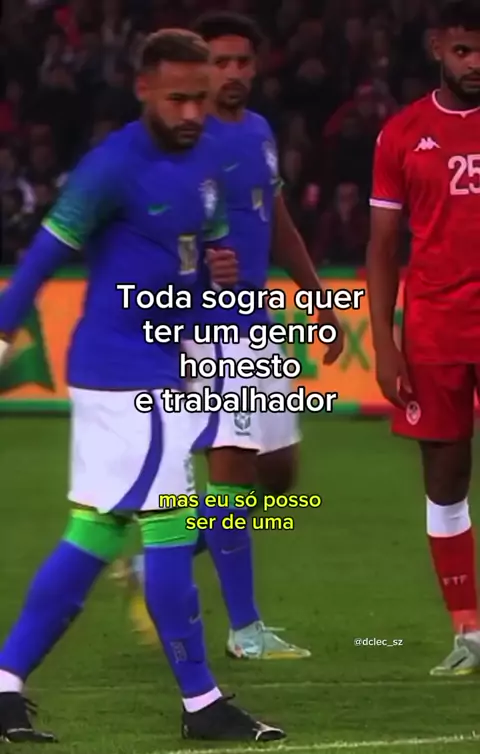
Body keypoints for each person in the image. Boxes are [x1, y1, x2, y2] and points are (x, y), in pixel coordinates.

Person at [0, 29, 285, 743]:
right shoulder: (112, 168)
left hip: (149, 368)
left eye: (200, 98)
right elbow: (40, 260)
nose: (191, 112)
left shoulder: (207, 163)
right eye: (177, 98)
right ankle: (203, 704)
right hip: (131, 377)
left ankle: (3, 683)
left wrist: (220, 285)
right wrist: (1, 334)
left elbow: (198, 267)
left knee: (94, 532)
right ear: (144, 90)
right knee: (170, 533)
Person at [119, 12, 344, 660]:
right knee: (233, 468)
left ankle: (156, 561)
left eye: (243, 61)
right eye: (221, 62)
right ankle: (245, 631)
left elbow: (275, 219)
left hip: (255, 320)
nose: (233, 73)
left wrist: (317, 296)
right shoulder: (179, 142)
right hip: (205, 327)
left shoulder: (260, 132)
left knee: (276, 476)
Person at [367, 0, 480, 677]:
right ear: (438, 47)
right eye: (464, 50)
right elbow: (383, 247)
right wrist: (384, 343)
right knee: (445, 478)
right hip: (435, 329)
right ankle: (468, 630)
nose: (476, 63)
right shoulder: (403, 134)